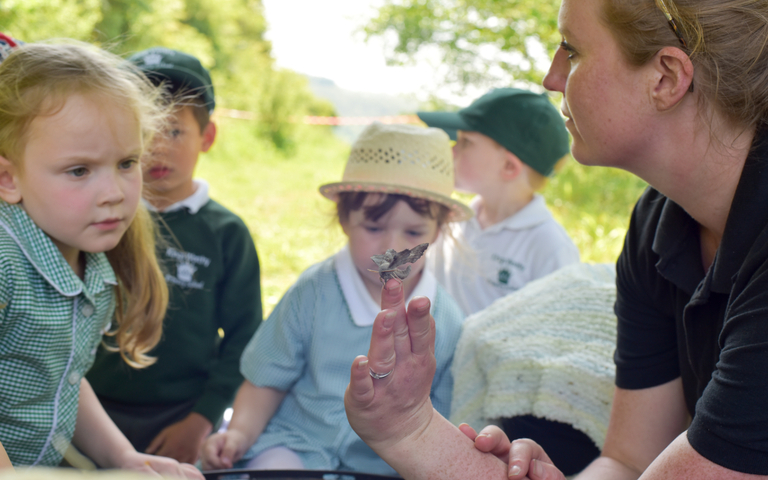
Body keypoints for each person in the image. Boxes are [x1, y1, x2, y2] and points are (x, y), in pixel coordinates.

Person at [344, 0, 768, 478]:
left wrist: (414, 438)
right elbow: (628, 461)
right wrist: (409, 429)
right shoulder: (658, 229)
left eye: (572, 49)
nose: (551, 76)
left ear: (666, 77)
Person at [201, 122, 469, 475]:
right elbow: (266, 379)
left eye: (414, 232)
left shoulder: (444, 319)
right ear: (344, 218)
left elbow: (444, 415)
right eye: (374, 228)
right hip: (296, 445)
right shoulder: (313, 292)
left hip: (382, 467)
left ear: (440, 227)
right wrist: (237, 434)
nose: (393, 247)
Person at [0, 41, 202, 478]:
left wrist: (124, 459)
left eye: (127, 163)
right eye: (79, 171)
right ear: (8, 178)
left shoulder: (89, 262)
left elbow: (62, 381)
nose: (114, 193)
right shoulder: (6, 262)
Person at [87, 47, 263, 465]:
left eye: (175, 131)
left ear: (207, 136)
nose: (157, 149)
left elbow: (245, 339)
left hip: (180, 417)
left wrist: (201, 420)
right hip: (88, 409)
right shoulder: (97, 218)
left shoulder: (226, 234)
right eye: (146, 132)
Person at [419, 87, 580, 316]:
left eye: (466, 142)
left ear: (509, 167)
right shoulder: (452, 220)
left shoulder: (549, 248)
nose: (452, 151)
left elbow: (556, 332)